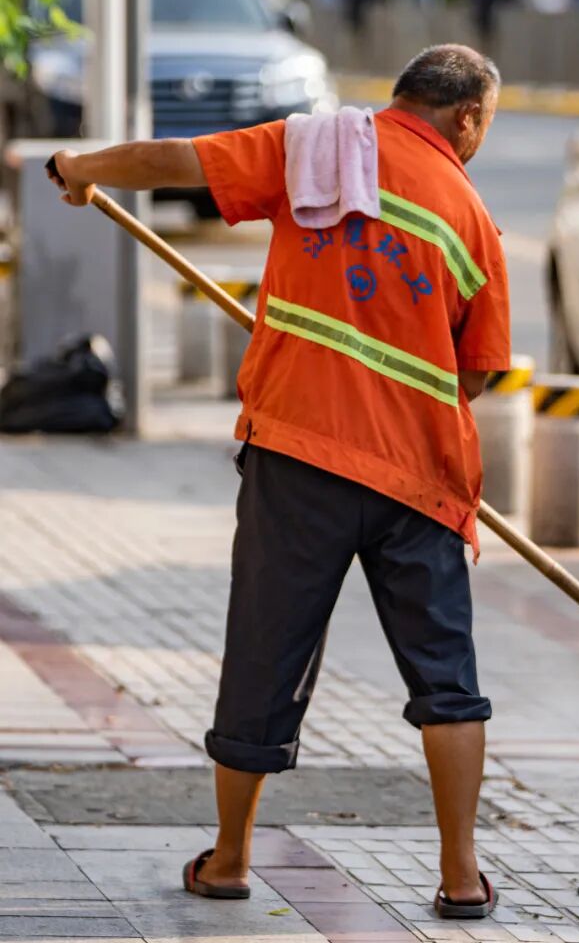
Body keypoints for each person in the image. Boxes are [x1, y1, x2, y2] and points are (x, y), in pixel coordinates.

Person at [48, 44, 510, 918]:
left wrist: (81, 166)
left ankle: (228, 861)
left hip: (299, 460)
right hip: (421, 481)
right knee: (446, 676)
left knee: (266, 658)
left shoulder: (317, 149)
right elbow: (473, 376)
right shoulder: (475, 221)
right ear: (469, 118)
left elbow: (176, 161)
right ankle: (458, 877)